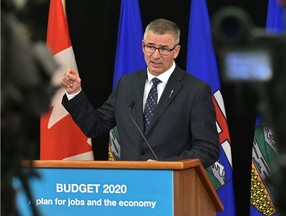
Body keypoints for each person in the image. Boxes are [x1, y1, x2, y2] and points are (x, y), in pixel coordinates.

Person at [61, 18, 219, 168]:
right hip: (131, 187)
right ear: (143, 46)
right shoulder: (127, 84)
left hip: (172, 185)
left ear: (176, 51)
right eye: (150, 47)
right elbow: (95, 126)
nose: (155, 55)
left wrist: (166, 166)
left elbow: (207, 150)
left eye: (163, 49)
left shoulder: (195, 90)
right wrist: (75, 93)